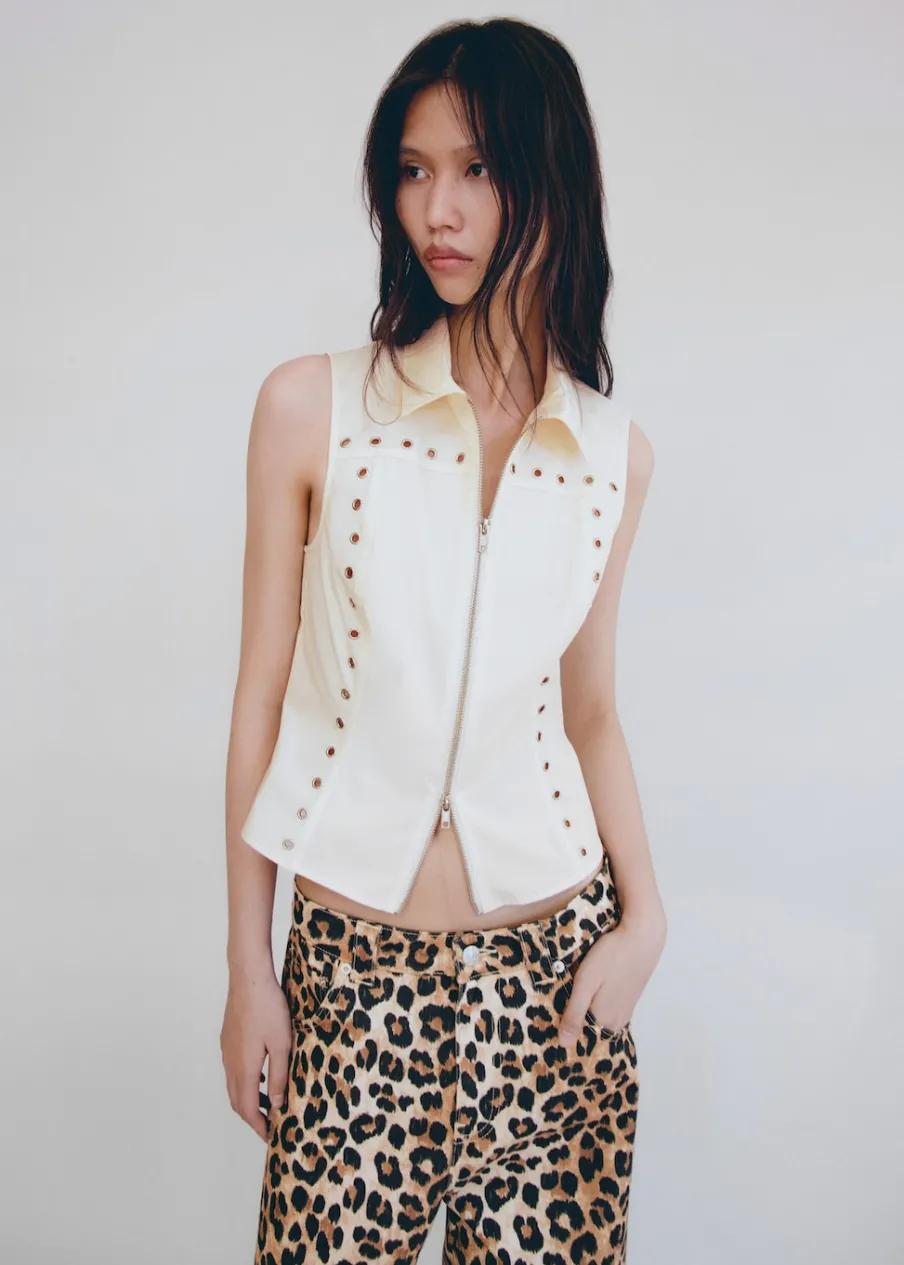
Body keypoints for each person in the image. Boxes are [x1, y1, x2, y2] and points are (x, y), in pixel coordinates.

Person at [221, 17, 666, 1264]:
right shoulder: (311, 409)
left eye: (477, 168)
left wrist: (645, 920)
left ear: (549, 177)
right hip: (352, 985)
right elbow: (260, 699)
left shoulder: (611, 457)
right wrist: (250, 967)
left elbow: (590, 713)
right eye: (413, 171)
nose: (439, 210)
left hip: (555, 989)